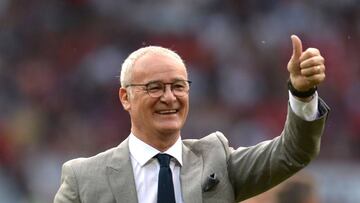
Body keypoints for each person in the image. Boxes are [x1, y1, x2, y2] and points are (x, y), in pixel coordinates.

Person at [54, 35, 329, 203]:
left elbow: (294, 152)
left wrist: (302, 93)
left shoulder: (217, 159)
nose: (170, 97)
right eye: (155, 88)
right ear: (125, 97)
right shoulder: (84, 178)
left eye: (178, 86)